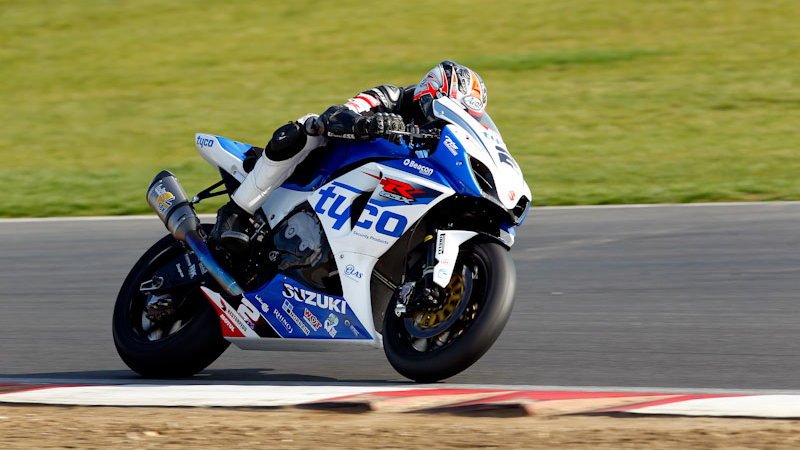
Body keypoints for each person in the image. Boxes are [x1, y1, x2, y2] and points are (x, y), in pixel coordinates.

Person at [212, 60, 488, 250]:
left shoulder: (442, 138)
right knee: (310, 126)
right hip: (329, 168)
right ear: (429, 93)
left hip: (391, 191)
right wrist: (368, 124)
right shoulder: (392, 97)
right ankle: (236, 212)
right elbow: (337, 113)